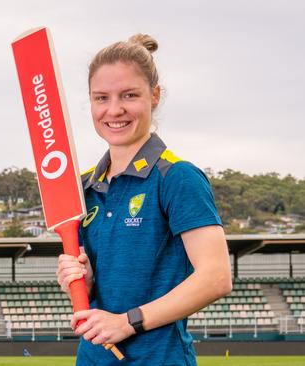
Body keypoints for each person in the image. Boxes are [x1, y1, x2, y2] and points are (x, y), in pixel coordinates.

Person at [56, 34, 232, 365]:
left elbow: (217, 277)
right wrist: (83, 282)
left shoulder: (177, 177)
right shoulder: (81, 186)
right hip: (93, 358)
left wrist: (126, 322)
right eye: (101, 98)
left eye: (129, 95)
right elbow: (100, 287)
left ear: (154, 96)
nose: (114, 110)